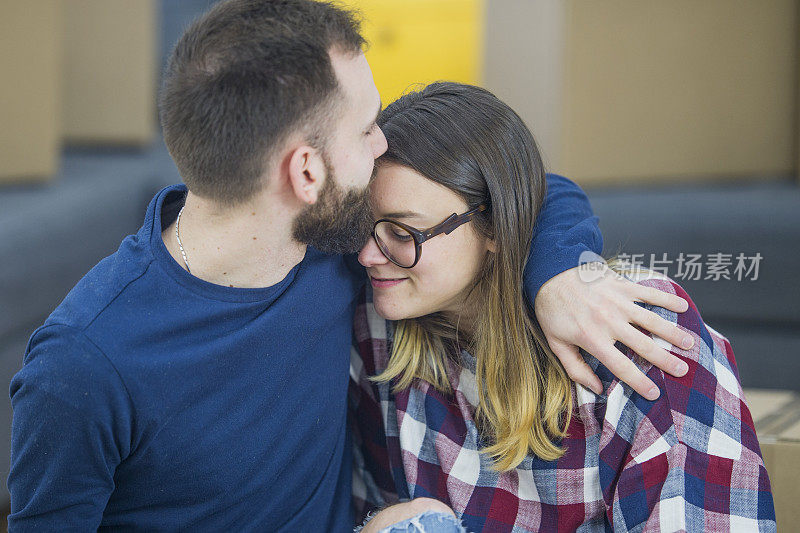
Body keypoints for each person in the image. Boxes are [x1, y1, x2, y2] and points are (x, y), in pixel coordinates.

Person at [8, 1, 690, 531]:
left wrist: (560, 271)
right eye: (366, 128)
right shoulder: (83, 365)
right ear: (306, 171)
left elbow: (519, 190)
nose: (384, 140)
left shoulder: (340, 245)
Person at [350, 82, 776, 532]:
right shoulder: (379, 325)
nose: (366, 255)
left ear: (496, 224)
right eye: (362, 225)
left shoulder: (638, 333)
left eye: (403, 232)